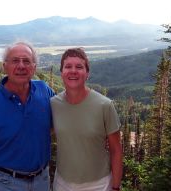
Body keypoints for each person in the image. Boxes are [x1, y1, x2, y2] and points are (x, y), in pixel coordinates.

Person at [0, 41, 55, 191]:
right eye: (15, 60)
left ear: (33, 67)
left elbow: (63, 121)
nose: (21, 66)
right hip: (5, 183)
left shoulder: (44, 91)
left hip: (42, 180)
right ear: (5, 66)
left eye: (26, 61)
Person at [51, 48, 123, 191]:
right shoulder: (54, 104)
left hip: (99, 184)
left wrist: (115, 186)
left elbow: (116, 150)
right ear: (62, 73)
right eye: (68, 66)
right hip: (62, 183)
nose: (73, 71)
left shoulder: (105, 105)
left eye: (79, 67)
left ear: (87, 73)